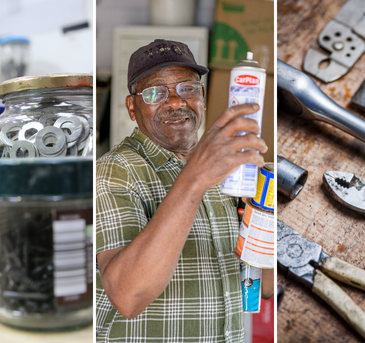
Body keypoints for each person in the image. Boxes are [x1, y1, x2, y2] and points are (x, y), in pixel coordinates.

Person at [95, 39, 274, 342]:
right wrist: (196, 177)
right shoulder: (113, 172)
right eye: (155, 93)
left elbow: (261, 286)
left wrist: (264, 212)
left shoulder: (227, 172)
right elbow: (128, 296)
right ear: (132, 107)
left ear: (202, 97)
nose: (176, 102)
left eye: (187, 89)